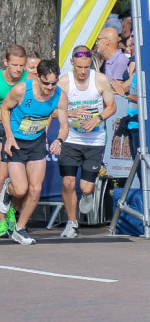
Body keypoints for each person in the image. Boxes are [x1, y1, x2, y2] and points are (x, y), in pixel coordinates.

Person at [0, 60, 68, 245]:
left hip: (36, 141)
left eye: (54, 83)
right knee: (21, 189)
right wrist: (9, 137)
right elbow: (4, 109)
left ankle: (20, 229)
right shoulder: (22, 90)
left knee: (35, 189)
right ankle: (8, 188)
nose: (50, 87)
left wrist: (59, 140)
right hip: (16, 141)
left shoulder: (60, 96)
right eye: (46, 83)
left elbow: (64, 126)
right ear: (38, 77)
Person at [57, 46, 116, 238]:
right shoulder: (64, 83)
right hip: (71, 139)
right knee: (67, 183)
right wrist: (71, 113)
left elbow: (112, 107)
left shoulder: (99, 80)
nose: (82, 72)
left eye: (86, 67)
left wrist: (97, 119)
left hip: (95, 140)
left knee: (86, 187)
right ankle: (72, 223)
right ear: (72, 63)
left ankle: (87, 194)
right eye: (79, 67)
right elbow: (53, 109)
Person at [0, 45, 28, 237]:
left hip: (22, 131)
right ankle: (1, 221)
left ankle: (13, 209)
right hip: (0, 129)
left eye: (21, 65)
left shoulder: (29, 79)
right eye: (14, 65)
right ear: (6, 63)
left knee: (23, 181)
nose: (18, 69)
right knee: (0, 176)